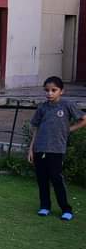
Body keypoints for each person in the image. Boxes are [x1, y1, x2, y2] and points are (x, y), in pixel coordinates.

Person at [28, 76, 86, 221]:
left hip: (56, 149)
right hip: (40, 148)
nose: (50, 93)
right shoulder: (42, 107)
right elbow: (35, 128)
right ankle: (45, 206)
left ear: (61, 91)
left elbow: (83, 120)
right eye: (47, 90)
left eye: (54, 90)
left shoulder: (67, 105)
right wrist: (31, 149)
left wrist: (68, 130)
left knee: (56, 179)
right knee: (42, 180)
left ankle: (66, 209)